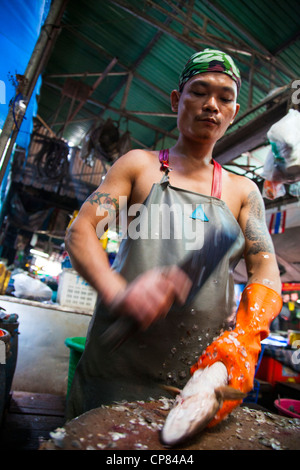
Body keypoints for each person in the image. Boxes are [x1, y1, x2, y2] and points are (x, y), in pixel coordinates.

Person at [65, 49, 282, 423]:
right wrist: (119, 293)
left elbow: (265, 267)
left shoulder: (242, 191)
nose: (211, 105)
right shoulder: (138, 166)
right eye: (198, 91)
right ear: (175, 100)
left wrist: (246, 336)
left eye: (224, 98)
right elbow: (82, 231)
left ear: (233, 111)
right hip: (115, 370)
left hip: (195, 380)